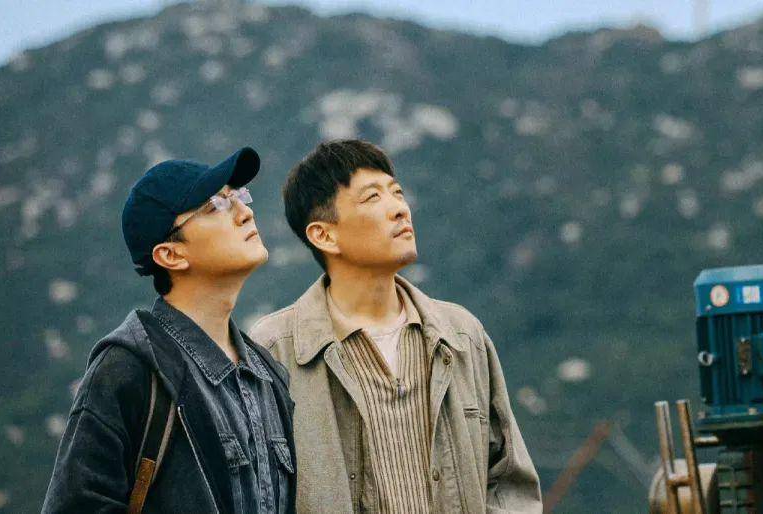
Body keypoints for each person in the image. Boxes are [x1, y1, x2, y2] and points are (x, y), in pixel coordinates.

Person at [251, 139, 541, 513]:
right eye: (373, 197)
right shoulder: (275, 351)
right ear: (324, 235)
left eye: (397, 193)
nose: (400, 209)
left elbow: (509, 483)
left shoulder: (461, 334)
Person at [42, 148, 296, 514]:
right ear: (170, 255)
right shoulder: (128, 369)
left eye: (239, 196)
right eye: (216, 206)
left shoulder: (268, 375)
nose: (245, 212)